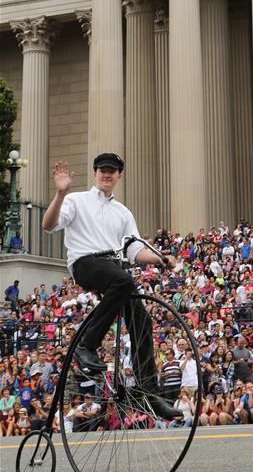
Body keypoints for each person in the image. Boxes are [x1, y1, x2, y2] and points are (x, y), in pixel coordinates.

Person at [42, 155, 182, 421]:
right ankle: (87, 344)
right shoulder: (76, 200)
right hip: (86, 263)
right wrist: (61, 193)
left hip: (114, 269)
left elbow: (134, 249)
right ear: (95, 173)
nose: (107, 174)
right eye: (103, 170)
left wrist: (161, 259)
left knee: (141, 320)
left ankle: (149, 394)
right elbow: (48, 225)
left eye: (113, 171)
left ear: (119, 176)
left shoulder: (123, 212)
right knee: (123, 281)